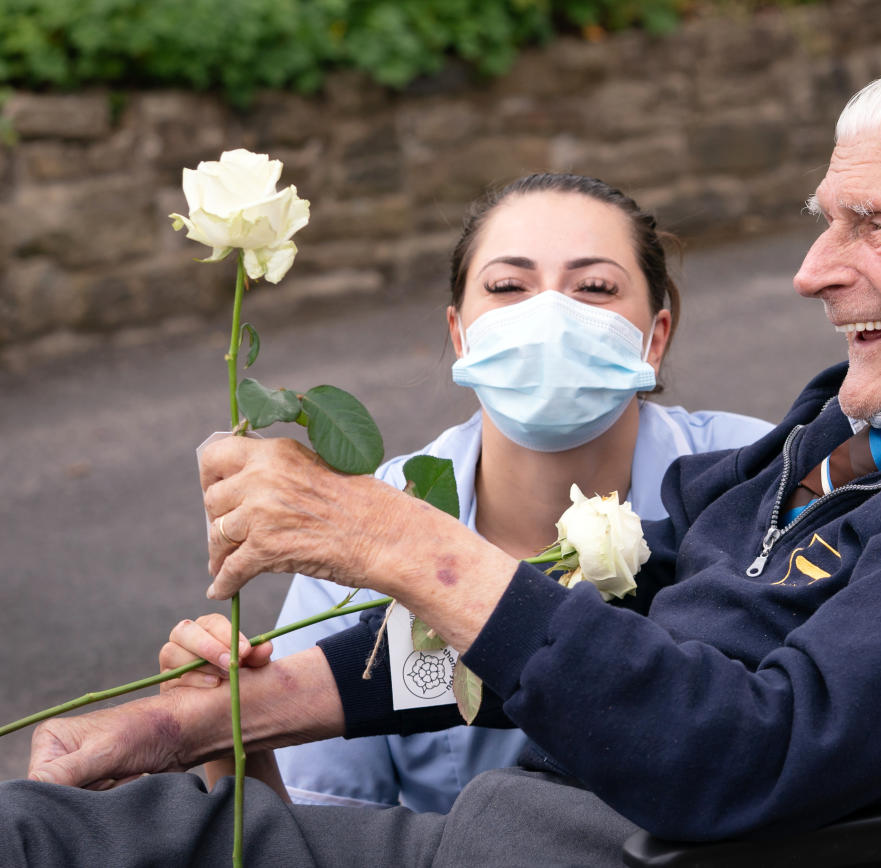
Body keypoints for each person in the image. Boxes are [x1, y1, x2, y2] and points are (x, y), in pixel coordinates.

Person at [3, 60, 881, 868]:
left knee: (52, 843)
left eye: (870, 225)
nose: (811, 269)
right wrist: (213, 720)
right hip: (547, 829)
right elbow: (623, 607)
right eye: (826, 221)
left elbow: (750, 753)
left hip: (596, 847)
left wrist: (399, 541)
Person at [164, 171, 774, 811]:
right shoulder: (350, 534)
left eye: (594, 288)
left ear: (656, 335)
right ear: (461, 333)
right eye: (509, 287)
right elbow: (316, 831)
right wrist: (229, 733)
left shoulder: (761, 477)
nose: (549, 316)